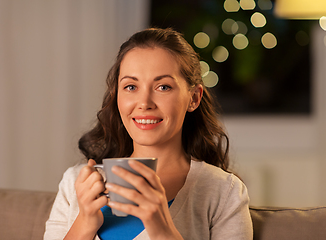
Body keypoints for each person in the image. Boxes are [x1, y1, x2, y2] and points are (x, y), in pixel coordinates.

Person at [44, 27, 253, 240]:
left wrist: (161, 227)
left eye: (163, 87)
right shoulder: (75, 183)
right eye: (131, 87)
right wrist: (85, 222)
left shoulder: (224, 191)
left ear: (194, 98)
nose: (144, 103)